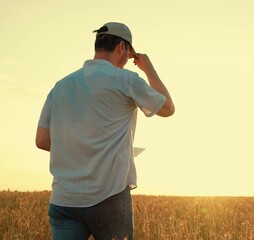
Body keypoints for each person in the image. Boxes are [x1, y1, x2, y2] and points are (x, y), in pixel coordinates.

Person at [35, 22, 174, 240]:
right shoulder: (127, 80)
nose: (128, 60)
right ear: (122, 47)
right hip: (109, 196)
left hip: (64, 199)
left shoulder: (60, 86)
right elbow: (167, 108)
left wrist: (80, 147)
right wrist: (149, 68)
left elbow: (42, 140)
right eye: (129, 54)